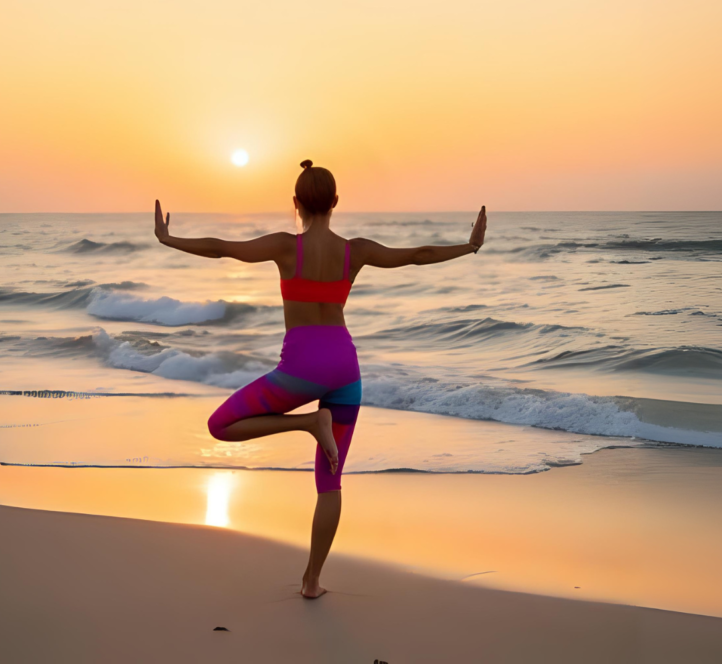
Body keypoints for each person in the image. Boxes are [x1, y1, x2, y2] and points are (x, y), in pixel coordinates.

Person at [153, 159, 487, 598]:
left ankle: (308, 423)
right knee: (330, 483)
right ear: (335, 203)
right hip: (346, 371)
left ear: (296, 203)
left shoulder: (284, 247)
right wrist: (469, 246)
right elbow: (416, 257)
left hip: (300, 372)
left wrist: (168, 238)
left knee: (220, 426)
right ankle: (312, 581)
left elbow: (222, 248)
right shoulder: (357, 251)